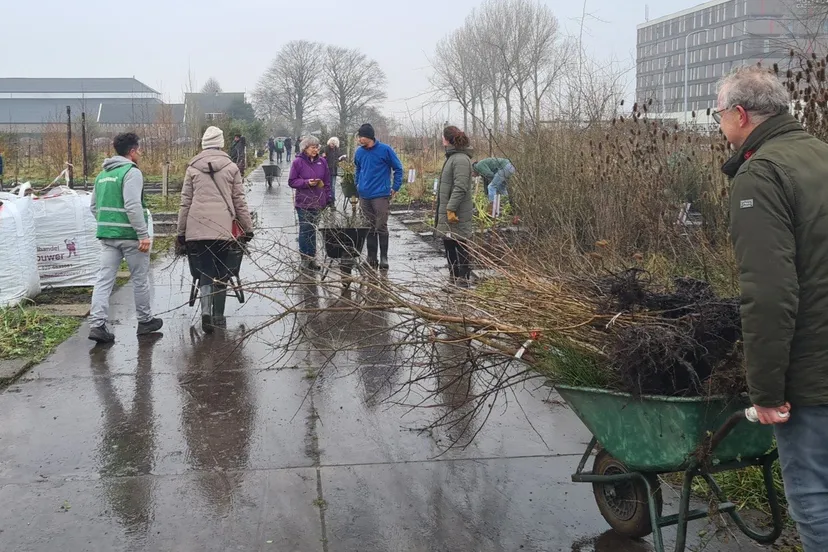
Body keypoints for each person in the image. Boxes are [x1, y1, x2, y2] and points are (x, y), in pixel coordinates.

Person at [718, 65, 828, 551]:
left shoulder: (761, 174)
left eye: (719, 115)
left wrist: (765, 392)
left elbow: (768, 293)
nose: (720, 126)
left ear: (740, 114)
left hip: (812, 374)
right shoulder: (821, 156)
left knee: (814, 495)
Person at [177, 126, 254, 333]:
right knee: (221, 270)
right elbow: (239, 201)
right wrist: (248, 227)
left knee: (205, 269)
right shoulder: (231, 168)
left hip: (197, 227)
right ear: (221, 143)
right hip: (223, 228)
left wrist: (181, 231)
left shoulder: (192, 167)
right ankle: (218, 316)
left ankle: (205, 311)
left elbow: (185, 202)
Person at [88, 132, 163, 343]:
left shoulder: (102, 175)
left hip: (107, 237)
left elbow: (93, 207)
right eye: (138, 149)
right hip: (131, 238)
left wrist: (108, 224)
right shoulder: (131, 172)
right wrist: (143, 235)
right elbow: (132, 205)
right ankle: (145, 321)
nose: (139, 153)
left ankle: (98, 325)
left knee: (104, 280)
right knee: (140, 279)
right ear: (131, 151)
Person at [354, 123, 403, 269]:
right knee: (368, 226)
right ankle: (371, 257)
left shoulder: (385, 150)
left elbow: (398, 168)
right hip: (364, 195)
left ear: (368, 137)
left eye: (360, 136)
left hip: (380, 194)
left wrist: (395, 187)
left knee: (380, 225)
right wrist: (358, 184)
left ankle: (384, 257)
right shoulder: (359, 152)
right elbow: (358, 168)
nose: (359, 139)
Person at [435, 126, 474, 287]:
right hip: (449, 210)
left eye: (442, 137)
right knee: (449, 243)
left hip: (457, 212)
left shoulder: (460, 159)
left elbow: (461, 186)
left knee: (461, 243)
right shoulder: (452, 157)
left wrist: (450, 208)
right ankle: (454, 277)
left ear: (447, 139)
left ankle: (464, 278)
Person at [288, 136, 332, 271]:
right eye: (313, 147)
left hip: (318, 202)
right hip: (304, 202)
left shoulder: (322, 162)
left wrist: (328, 197)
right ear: (305, 148)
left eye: (317, 147)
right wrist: (306, 183)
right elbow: (292, 181)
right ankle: (304, 259)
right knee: (305, 229)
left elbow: (327, 181)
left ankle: (312, 258)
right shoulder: (298, 162)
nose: (316, 150)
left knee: (313, 230)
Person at [322, 136, 343, 204]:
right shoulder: (326, 149)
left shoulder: (337, 150)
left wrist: (342, 159)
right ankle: (327, 198)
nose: (332, 145)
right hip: (327, 170)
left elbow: (339, 157)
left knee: (332, 185)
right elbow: (322, 158)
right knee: (327, 185)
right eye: (331, 143)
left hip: (334, 170)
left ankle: (332, 199)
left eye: (333, 144)